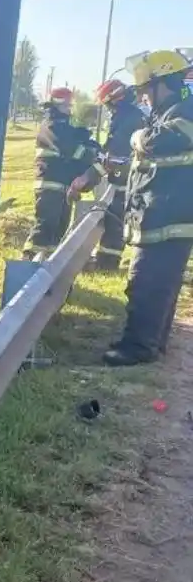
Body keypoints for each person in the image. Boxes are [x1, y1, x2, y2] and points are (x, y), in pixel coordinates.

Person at [102, 49, 193, 367]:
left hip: (168, 214)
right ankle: (152, 343)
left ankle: (138, 347)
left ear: (161, 83)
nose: (143, 97)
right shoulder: (168, 110)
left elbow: (163, 141)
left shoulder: (184, 110)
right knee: (160, 283)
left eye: (145, 89)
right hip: (163, 212)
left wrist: (138, 137)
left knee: (146, 283)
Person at [67, 79, 146, 270]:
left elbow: (113, 158)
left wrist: (86, 179)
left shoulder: (127, 118)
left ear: (116, 99)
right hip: (128, 178)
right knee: (115, 219)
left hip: (128, 180)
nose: (108, 110)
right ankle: (106, 260)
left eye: (108, 105)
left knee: (115, 221)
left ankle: (107, 263)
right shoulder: (130, 115)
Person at [24, 87, 100, 260]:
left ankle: (49, 264)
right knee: (45, 226)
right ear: (56, 105)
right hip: (50, 184)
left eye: (70, 105)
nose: (69, 108)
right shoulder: (51, 125)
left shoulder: (65, 127)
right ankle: (29, 261)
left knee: (59, 228)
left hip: (63, 186)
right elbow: (71, 149)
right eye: (66, 105)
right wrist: (92, 155)